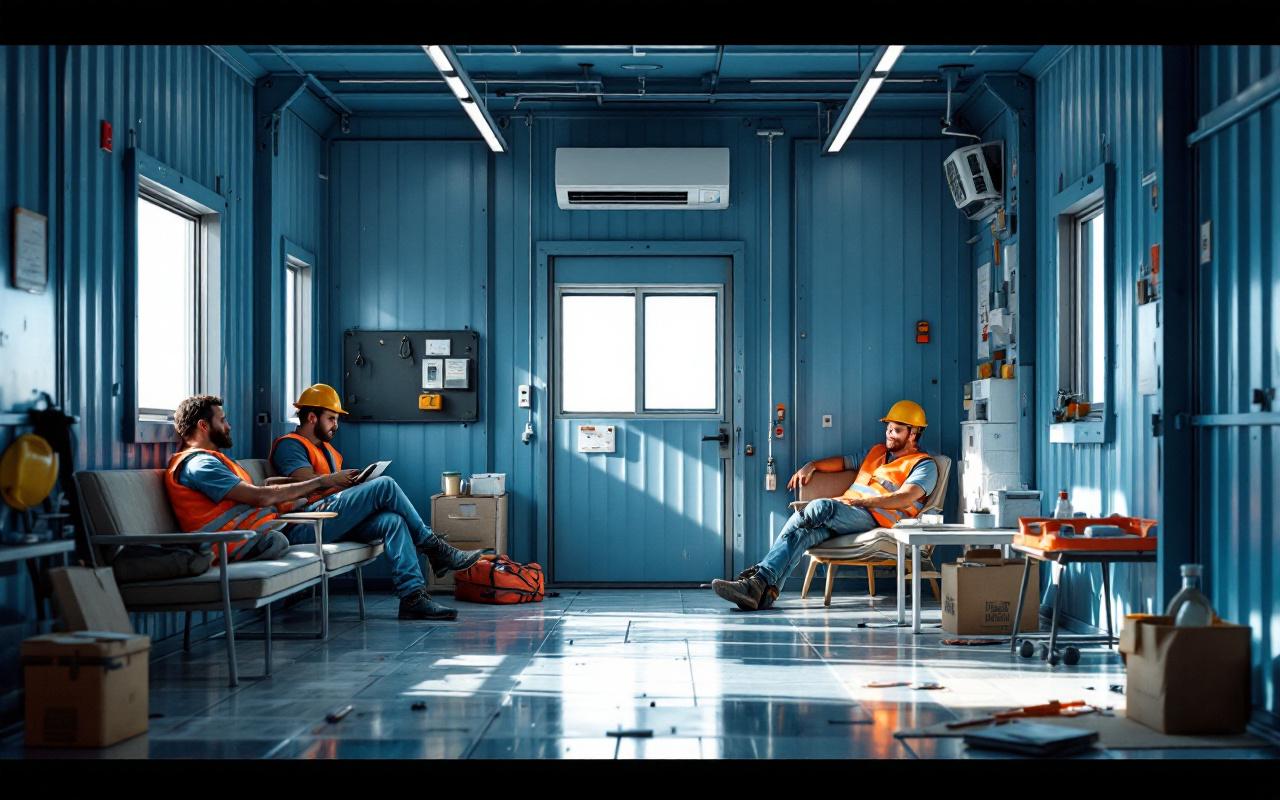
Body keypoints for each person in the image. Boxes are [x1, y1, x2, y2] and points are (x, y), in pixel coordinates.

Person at [265, 384, 485, 621]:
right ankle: (435, 548)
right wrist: (335, 480)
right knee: (385, 484)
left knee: (393, 521)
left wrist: (353, 483)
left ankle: (413, 597)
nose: (335, 426)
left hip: (330, 519)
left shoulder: (327, 450)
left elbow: (330, 490)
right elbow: (304, 484)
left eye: (336, 420)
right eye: (331, 419)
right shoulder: (290, 445)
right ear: (311, 417)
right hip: (307, 526)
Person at [710, 400, 938, 611]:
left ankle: (756, 578)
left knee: (818, 508)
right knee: (806, 533)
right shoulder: (877, 452)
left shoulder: (924, 465)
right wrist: (812, 465)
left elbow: (905, 497)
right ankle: (763, 590)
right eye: (888, 427)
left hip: (877, 519)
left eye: (897, 429)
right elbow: (842, 462)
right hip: (848, 511)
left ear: (914, 433)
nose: (889, 433)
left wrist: (863, 501)